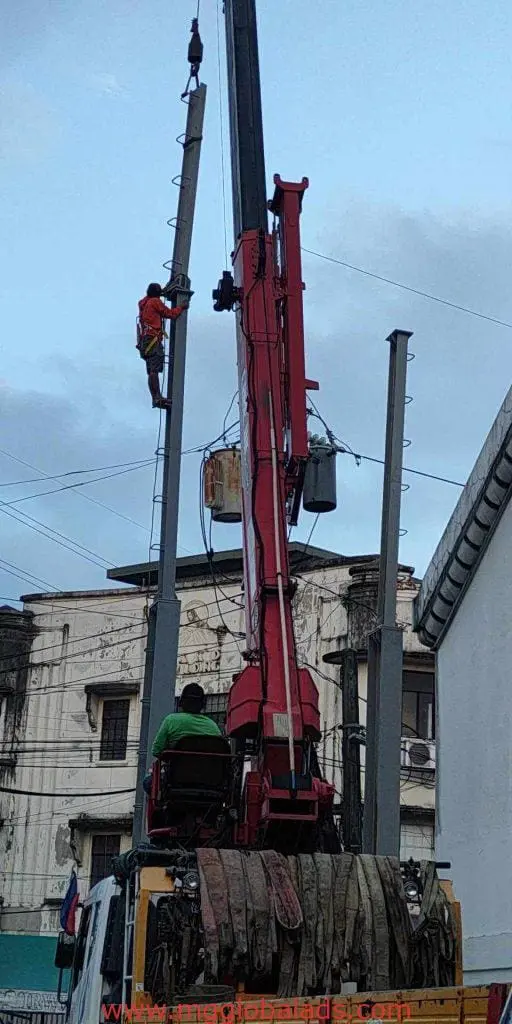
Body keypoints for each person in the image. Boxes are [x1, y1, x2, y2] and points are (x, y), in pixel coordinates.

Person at [143, 683, 222, 795]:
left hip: (176, 782)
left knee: (148, 781)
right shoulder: (213, 726)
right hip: (209, 784)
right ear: (202, 704)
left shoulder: (171, 720)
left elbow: (156, 750)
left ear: (181, 702)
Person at [137, 283, 188, 410]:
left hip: (145, 341)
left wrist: (162, 291)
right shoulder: (155, 302)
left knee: (151, 371)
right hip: (153, 339)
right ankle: (157, 397)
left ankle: (155, 397)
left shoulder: (145, 303)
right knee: (154, 370)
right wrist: (181, 307)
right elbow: (170, 314)